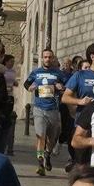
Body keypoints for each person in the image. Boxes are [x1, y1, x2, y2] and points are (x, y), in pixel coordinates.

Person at [25, 47, 69, 176]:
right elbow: (26, 84)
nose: (47, 59)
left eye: (50, 57)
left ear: (53, 58)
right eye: (45, 57)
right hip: (39, 108)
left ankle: (48, 155)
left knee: (51, 138)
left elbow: (67, 87)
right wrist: (30, 87)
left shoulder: (58, 73)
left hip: (53, 109)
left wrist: (61, 87)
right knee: (40, 136)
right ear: (42, 58)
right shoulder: (36, 72)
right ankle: (40, 163)